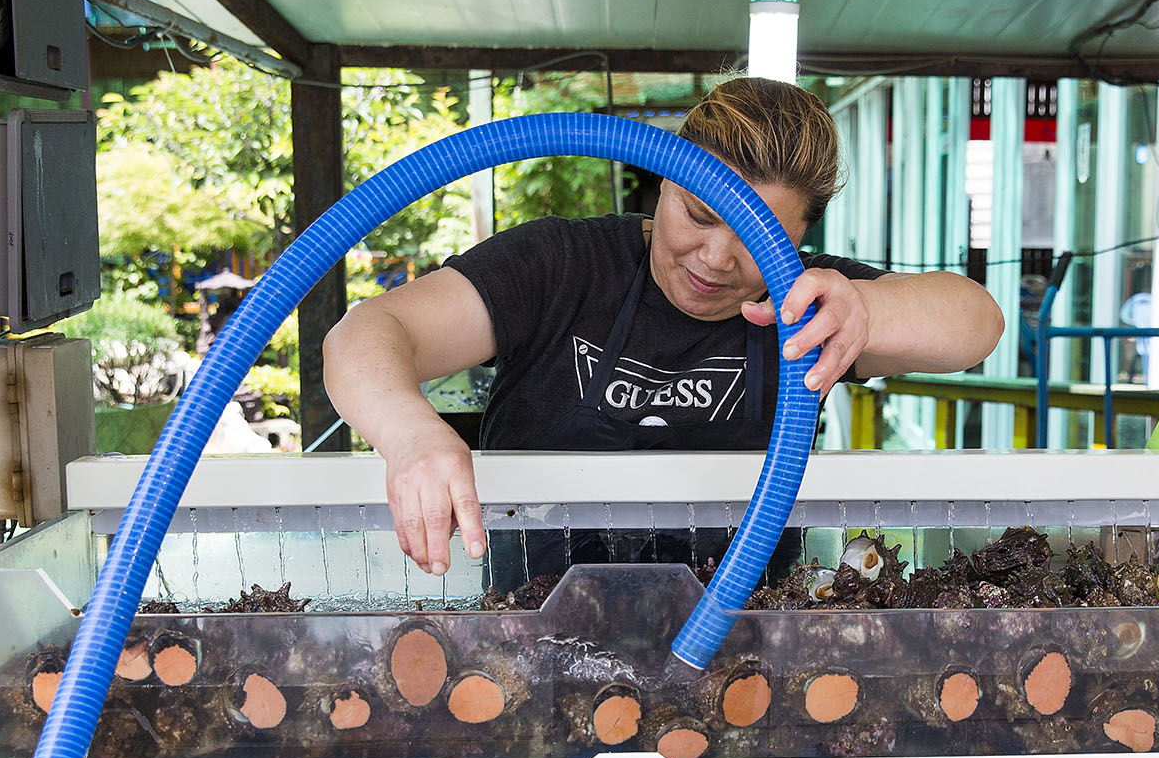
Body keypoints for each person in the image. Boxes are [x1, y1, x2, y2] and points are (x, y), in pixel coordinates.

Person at [324, 77, 1005, 577]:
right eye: (698, 215)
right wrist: (411, 434)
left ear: (801, 234)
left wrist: (869, 309)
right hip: (537, 636)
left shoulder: (816, 303)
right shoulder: (561, 265)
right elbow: (366, 333)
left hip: (741, 648)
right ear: (662, 184)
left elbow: (978, 323)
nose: (714, 258)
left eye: (755, 234)